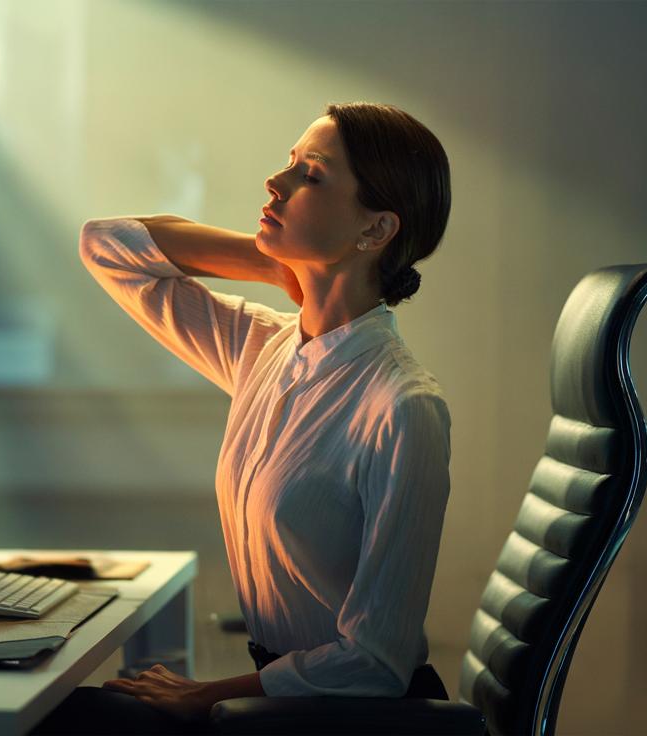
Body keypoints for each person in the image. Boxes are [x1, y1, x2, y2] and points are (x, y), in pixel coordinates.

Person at [35, 102, 452, 735]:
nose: (276, 183)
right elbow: (106, 245)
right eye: (289, 163)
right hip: (272, 706)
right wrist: (267, 261)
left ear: (375, 230)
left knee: (53, 719)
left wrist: (206, 694)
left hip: (346, 723)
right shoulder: (263, 348)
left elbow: (375, 663)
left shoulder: (402, 407)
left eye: (311, 176)